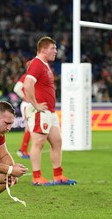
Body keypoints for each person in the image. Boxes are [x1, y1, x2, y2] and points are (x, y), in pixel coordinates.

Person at [23, 36, 77, 186]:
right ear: (44, 49)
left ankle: (58, 175)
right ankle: (36, 177)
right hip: (41, 111)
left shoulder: (44, 65)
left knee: (57, 142)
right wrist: (35, 104)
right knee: (38, 143)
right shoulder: (37, 64)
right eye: (53, 48)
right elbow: (27, 84)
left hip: (49, 112)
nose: (56, 51)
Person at [13, 73, 31, 159]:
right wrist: (25, 97)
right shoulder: (27, 76)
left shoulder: (30, 76)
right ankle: (22, 150)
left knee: (30, 127)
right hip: (27, 105)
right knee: (29, 127)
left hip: (30, 104)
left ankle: (24, 150)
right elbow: (16, 88)